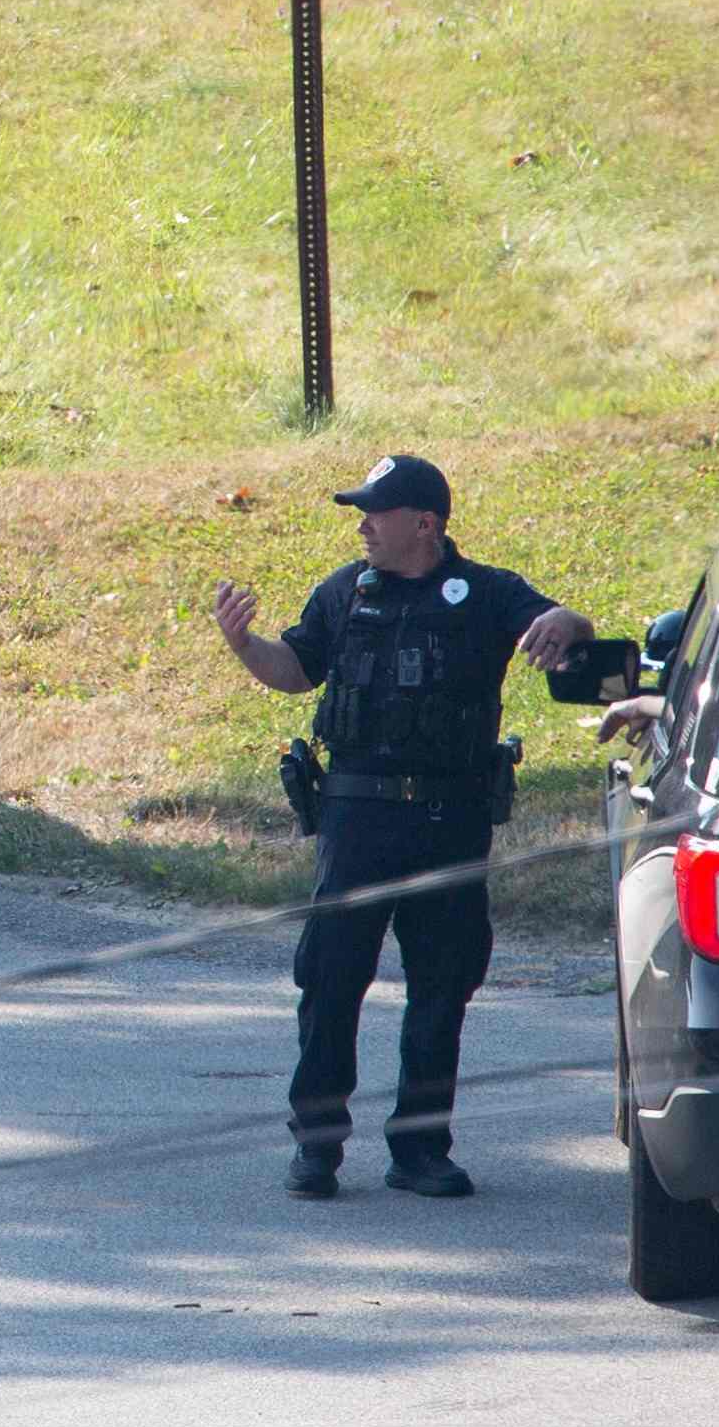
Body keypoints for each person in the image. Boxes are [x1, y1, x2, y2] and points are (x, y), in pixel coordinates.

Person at [211, 454, 592, 1199]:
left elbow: (567, 626)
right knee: (330, 979)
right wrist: (243, 644)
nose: (363, 526)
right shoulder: (345, 591)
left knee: (442, 985)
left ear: (424, 523)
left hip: (450, 817)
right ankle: (317, 1146)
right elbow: (295, 668)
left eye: (375, 513)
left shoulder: (486, 592)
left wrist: (567, 620)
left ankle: (420, 1151)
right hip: (358, 816)